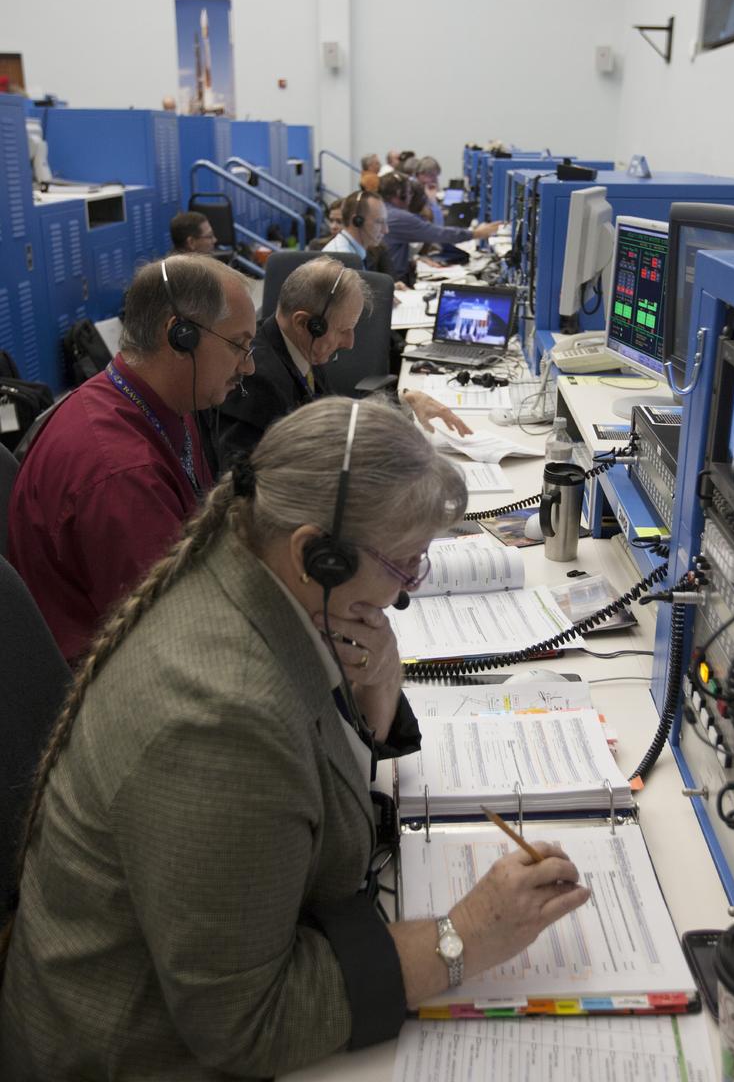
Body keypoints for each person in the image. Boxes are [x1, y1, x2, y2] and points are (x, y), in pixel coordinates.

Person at [0, 398, 590, 1078]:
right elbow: (247, 1022)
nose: (406, 592)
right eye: (403, 564)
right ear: (318, 553)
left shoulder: (249, 575)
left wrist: (374, 692)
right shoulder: (220, 720)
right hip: (127, 1053)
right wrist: (464, 936)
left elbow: (308, 789)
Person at [7, 256, 256, 663]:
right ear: (181, 337)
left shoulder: (157, 402)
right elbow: (180, 637)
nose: (249, 365)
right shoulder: (122, 475)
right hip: (123, 688)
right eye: (239, 345)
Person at [215, 258, 470, 464]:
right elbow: (253, 483)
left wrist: (403, 400)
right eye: (343, 329)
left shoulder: (300, 349)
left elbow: (328, 416)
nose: (350, 343)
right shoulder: (258, 381)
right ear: (305, 323)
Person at [379, 172, 502, 282]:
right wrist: (477, 234)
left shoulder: (385, 211)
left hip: (391, 276)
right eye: (409, 192)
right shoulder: (398, 217)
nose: (411, 197)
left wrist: (415, 259)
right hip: (396, 281)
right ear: (400, 194)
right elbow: (438, 233)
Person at [322, 188, 388, 265]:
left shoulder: (353, 254)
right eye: (379, 222)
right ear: (357, 221)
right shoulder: (343, 260)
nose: (386, 230)